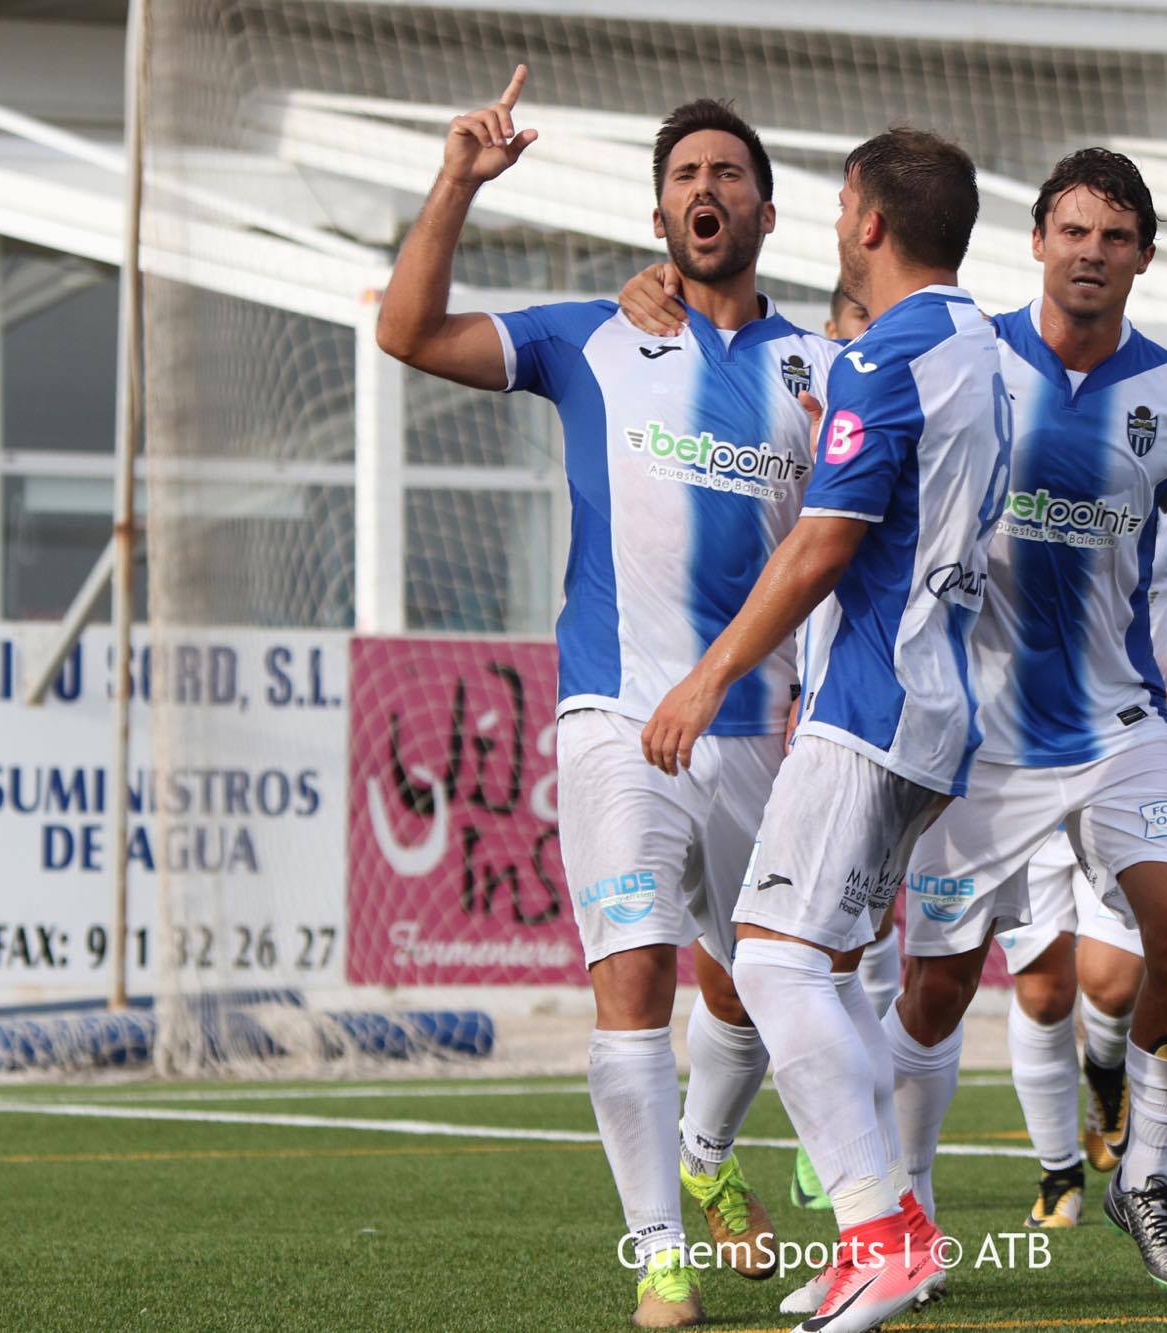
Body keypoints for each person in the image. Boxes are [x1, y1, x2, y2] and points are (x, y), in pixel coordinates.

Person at [375, 69, 839, 1328]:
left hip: (764, 732)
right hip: (616, 719)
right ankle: (661, 1257)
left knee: (759, 990)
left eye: (727, 172)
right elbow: (408, 333)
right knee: (632, 978)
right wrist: (457, 182)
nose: (705, 188)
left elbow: (853, 544)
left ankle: (706, 1157)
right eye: (684, 175)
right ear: (659, 216)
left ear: (767, 211)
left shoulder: (823, 368)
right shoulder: (592, 334)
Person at [884, 147, 1167, 1295]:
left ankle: (1142, 1173)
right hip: (978, 737)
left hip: (1120, 724)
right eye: (1073, 231)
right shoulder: (964, 356)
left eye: (1114, 236)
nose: (1091, 253)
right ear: (1037, 242)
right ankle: (904, 1215)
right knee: (937, 989)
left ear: (1143, 255)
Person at [638, 126, 1006, 1333]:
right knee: (833, 970)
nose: (839, 224)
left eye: (845, 206)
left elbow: (822, 545)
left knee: (773, 963)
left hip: (868, 702)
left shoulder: (886, 357)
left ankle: (880, 1234)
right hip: (935, 704)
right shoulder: (980, 348)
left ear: (869, 222)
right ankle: (895, 1230)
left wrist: (709, 678)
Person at [618, 277, 896, 1217]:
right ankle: (853, 1196)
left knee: (824, 963)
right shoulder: (797, 391)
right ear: (833, 332)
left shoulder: (911, 403)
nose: (873, 344)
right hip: (731, 714)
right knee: (752, 968)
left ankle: (836, 1181)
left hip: (855, 722)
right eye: (860, 327)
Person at [998, 531, 1167, 1229]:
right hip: (1016, 760)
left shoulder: (1163, 479)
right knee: (1042, 990)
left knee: (1115, 983)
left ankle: (1105, 1069)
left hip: (1128, 759)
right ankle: (1057, 1172)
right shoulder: (1003, 475)